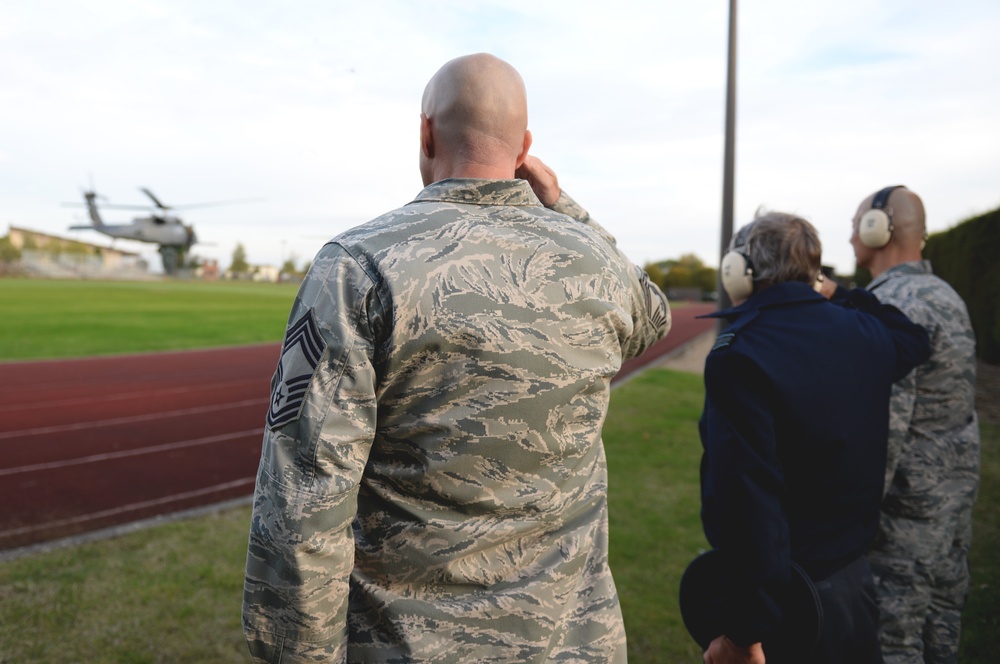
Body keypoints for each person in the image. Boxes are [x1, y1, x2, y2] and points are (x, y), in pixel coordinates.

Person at [241, 53, 671, 663]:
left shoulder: (359, 266)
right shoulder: (596, 264)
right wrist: (565, 207)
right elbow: (653, 313)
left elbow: (305, 497)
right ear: (523, 149)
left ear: (425, 132)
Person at [696, 212, 930, 664]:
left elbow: (749, 501)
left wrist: (744, 633)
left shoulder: (739, 353)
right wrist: (836, 292)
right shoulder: (867, 332)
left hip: (787, 599)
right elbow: (914, 338)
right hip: (854, 585)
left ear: (740, 270)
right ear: (814, 272)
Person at [851, 185, 980, 663]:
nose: (850, 238)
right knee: (941, 628)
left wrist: (853, 520)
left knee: (893, 643)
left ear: (877, 228)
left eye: (855, 224)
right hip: (951, 507)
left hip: (903, 519)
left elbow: (886, 428)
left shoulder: (894, 308)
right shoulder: (946, 296)